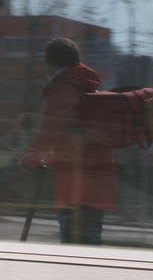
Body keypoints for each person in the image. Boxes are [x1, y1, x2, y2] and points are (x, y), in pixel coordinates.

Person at [20, 37, 117, 245]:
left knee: (76, 253)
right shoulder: (87, 85)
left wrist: (31, 158)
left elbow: (50, 132)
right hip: (97, 186)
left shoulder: (63, 88)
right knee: (89, 249)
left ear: (50, 63)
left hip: (76, 187)